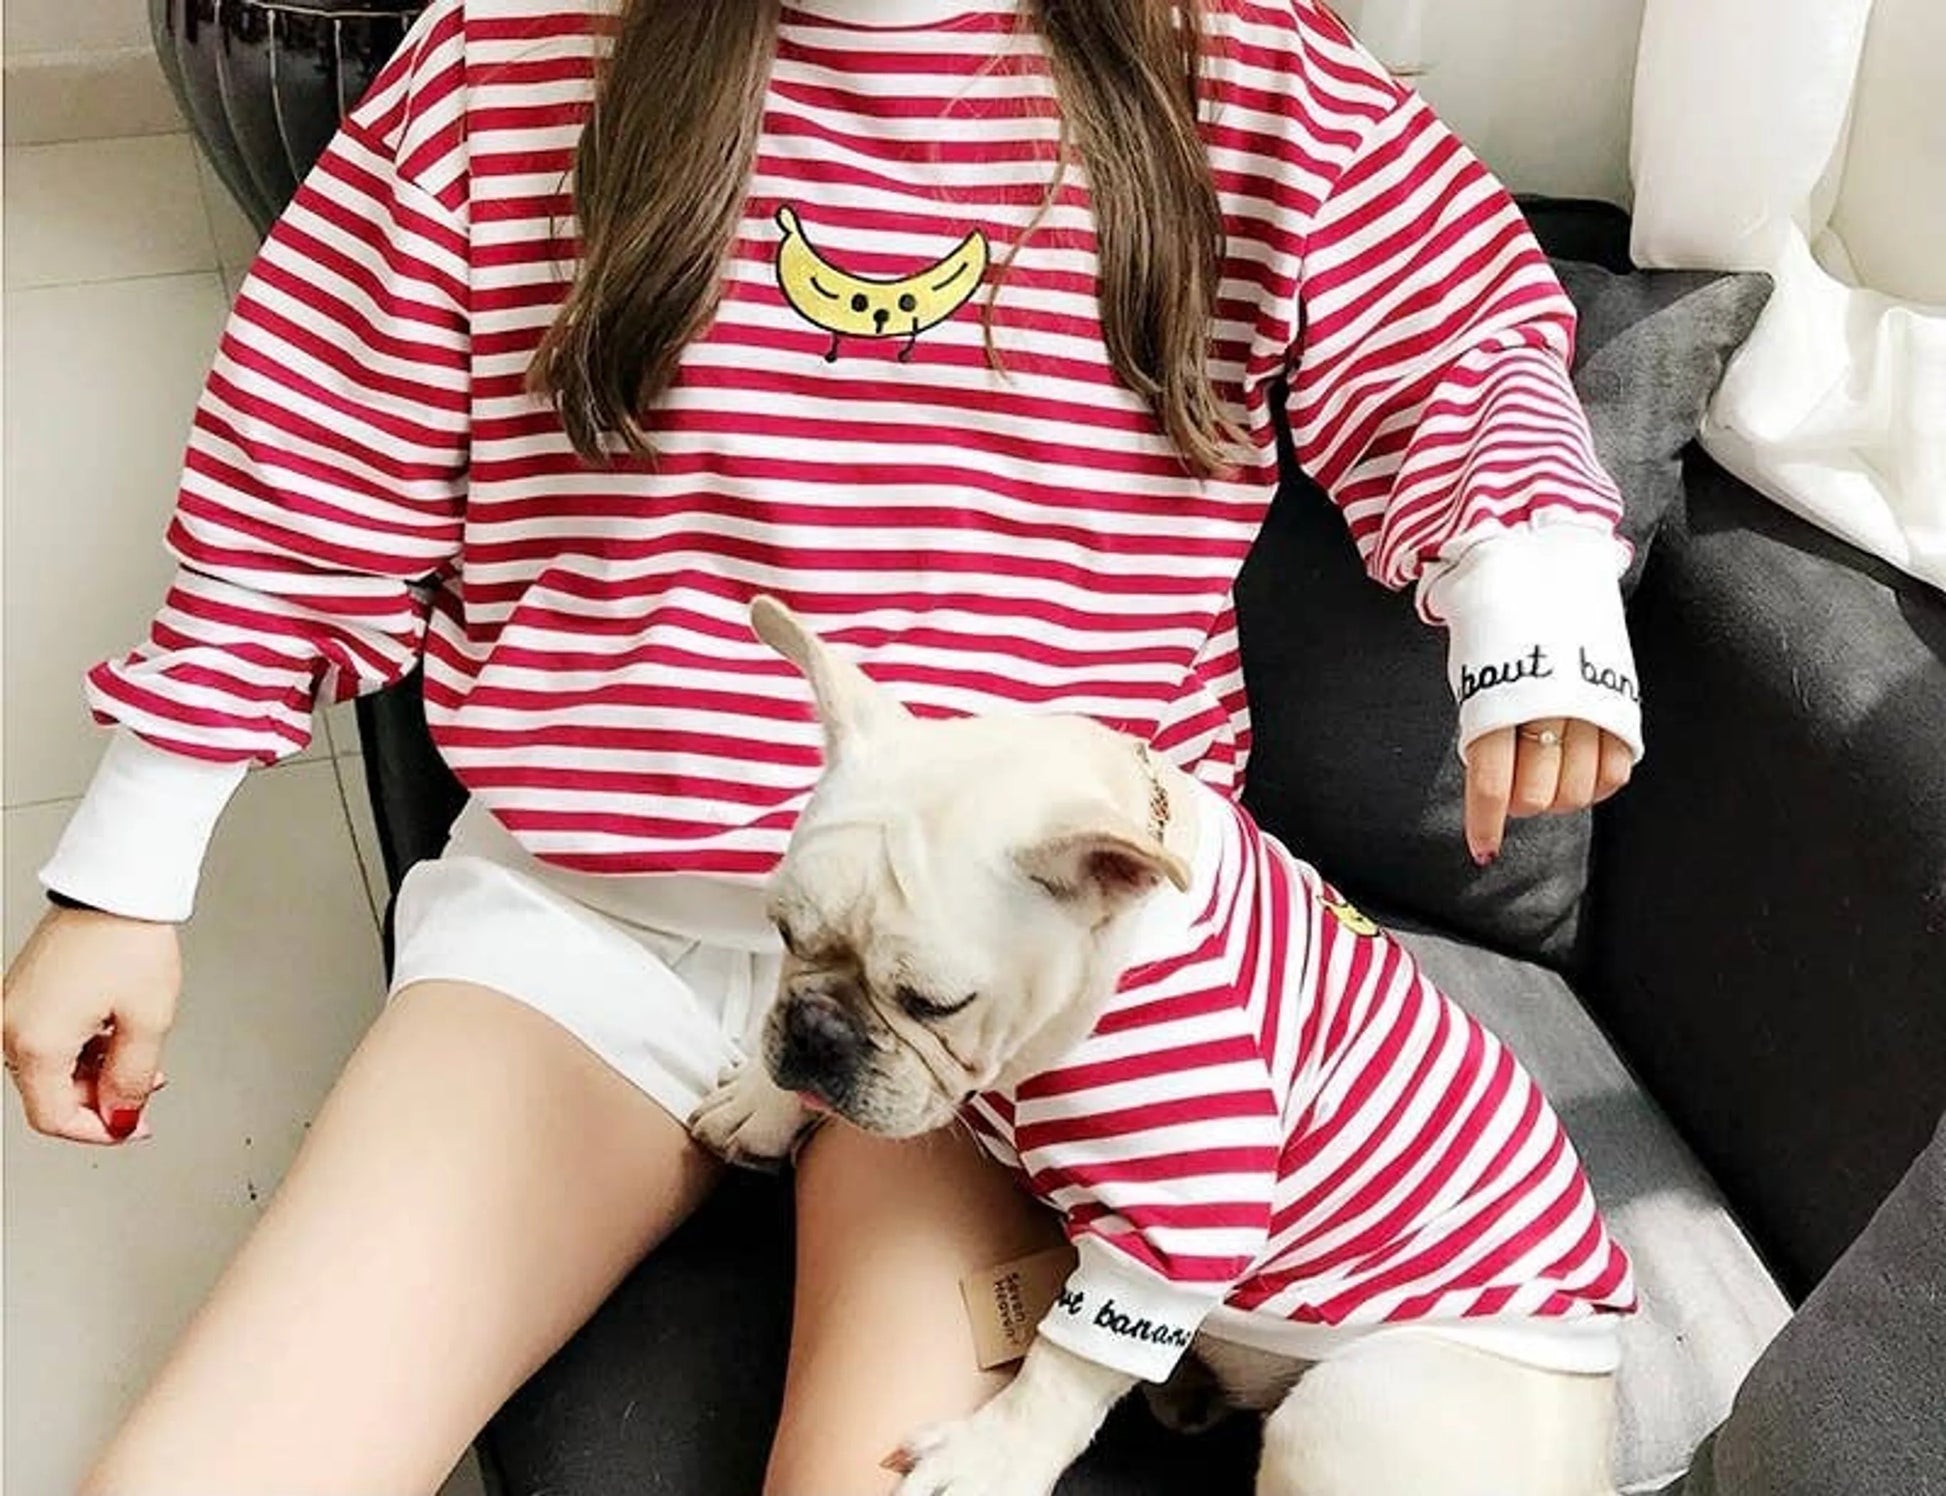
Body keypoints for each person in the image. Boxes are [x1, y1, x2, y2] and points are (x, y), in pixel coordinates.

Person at [0, 2, 1642, 1491]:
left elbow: (1457, 332)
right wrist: (131, 862)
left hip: (1015, 1007)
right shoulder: (507, 55)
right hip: (589, 918)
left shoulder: (1240, 64)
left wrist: (1527, 579)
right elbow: (308, 462)